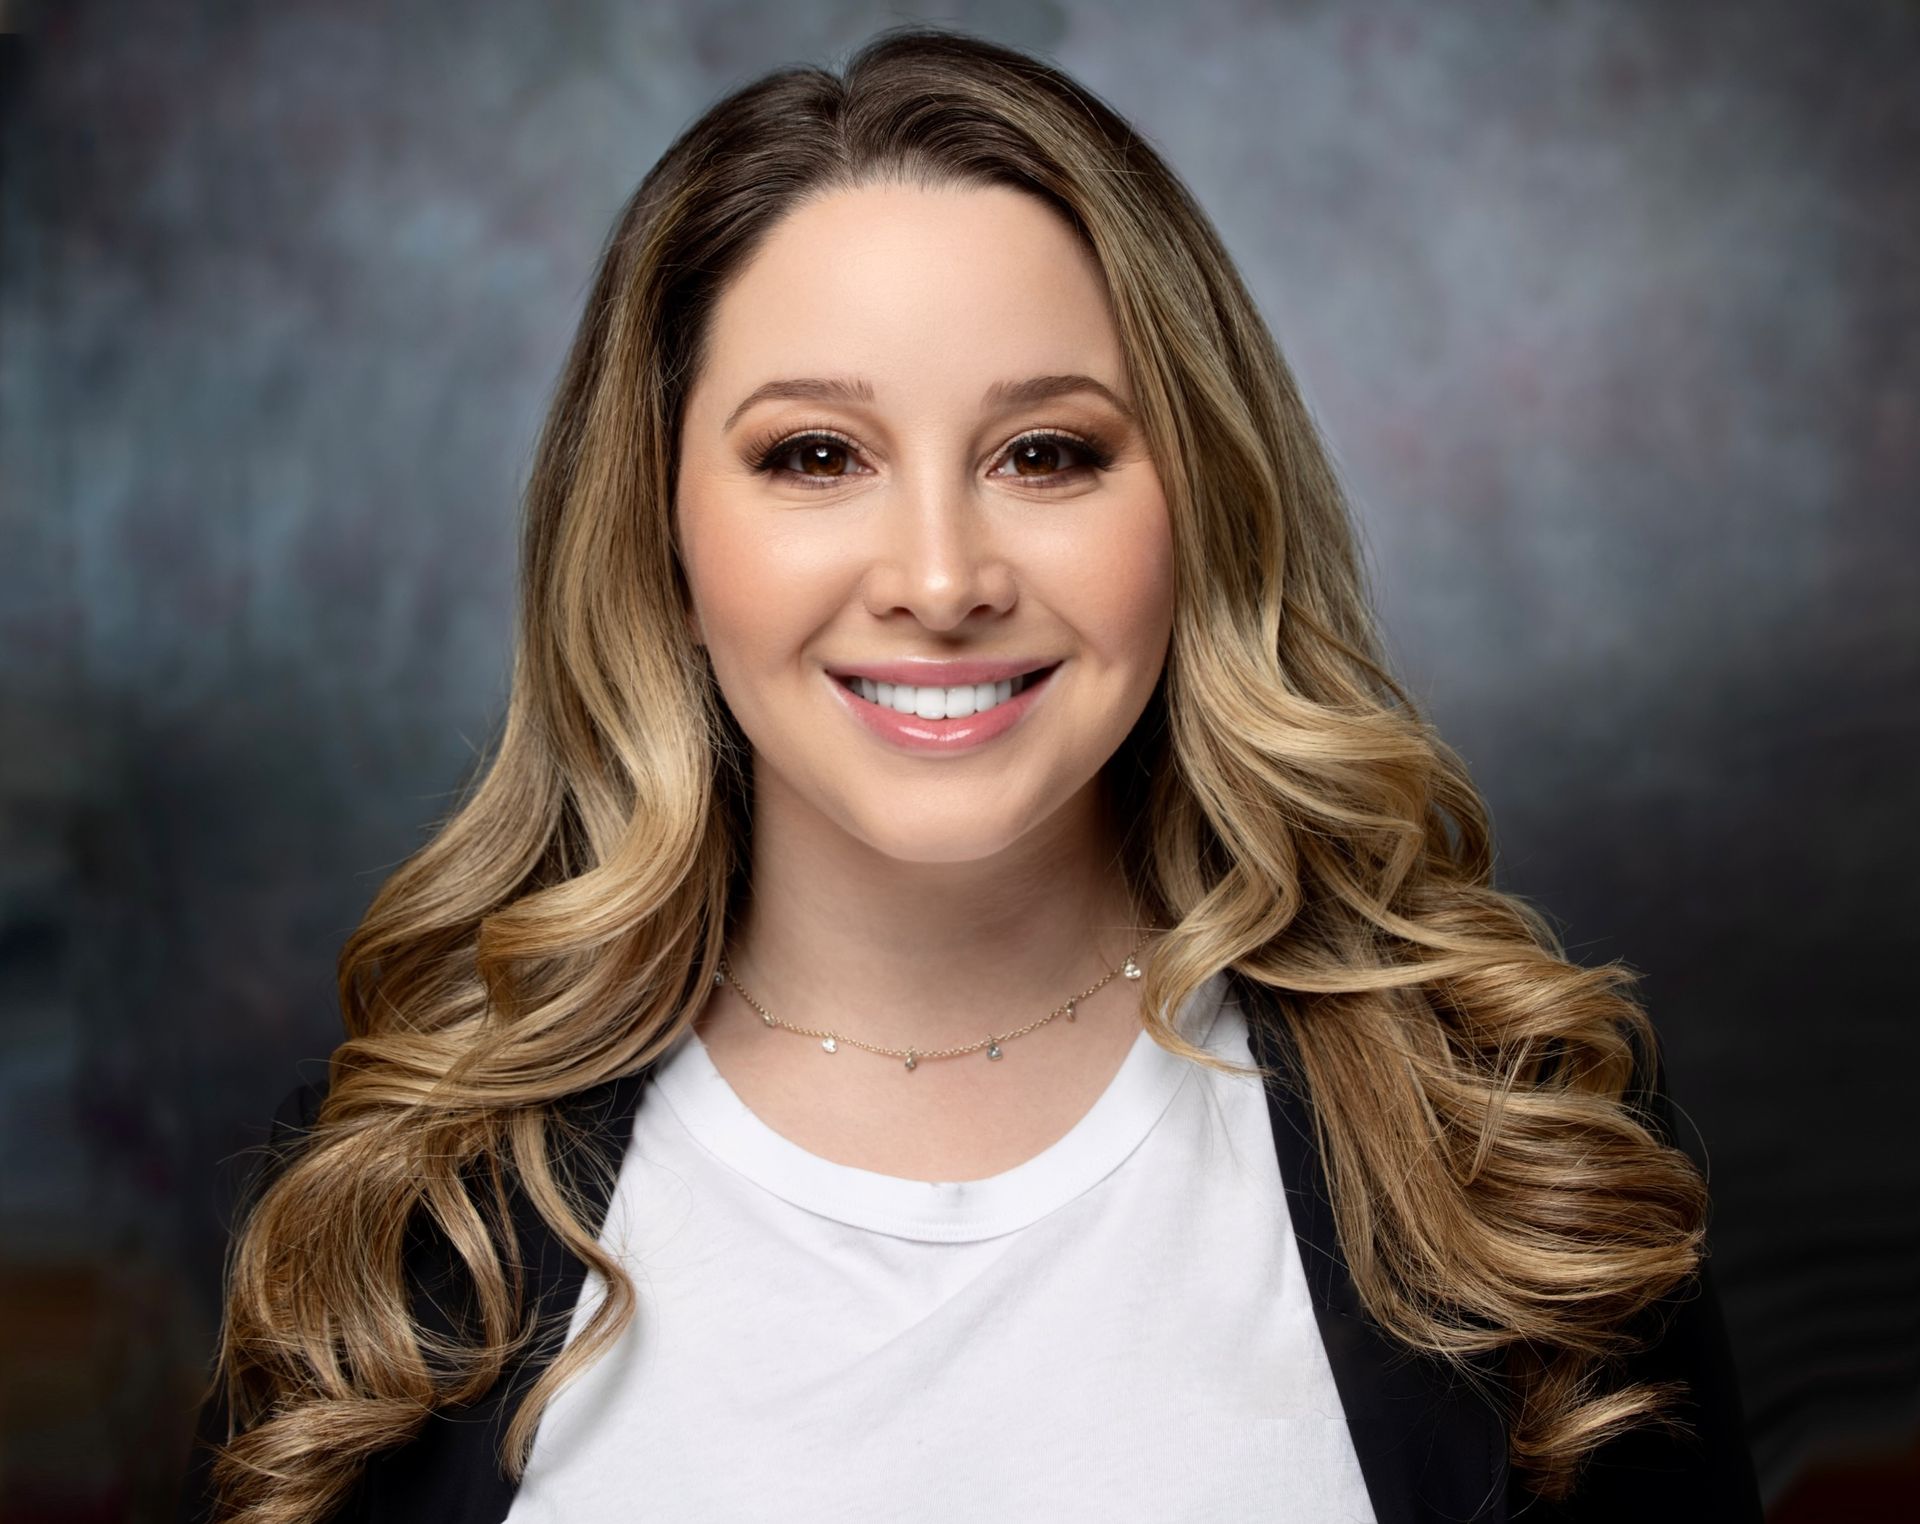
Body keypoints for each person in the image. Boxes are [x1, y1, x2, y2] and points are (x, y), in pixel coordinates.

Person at [176, 24, 1762, 1524]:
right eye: (814, 455)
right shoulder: (398, 1218)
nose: (940, 579)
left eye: (1047, 453)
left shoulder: (1516, 1158)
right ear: (659, 533)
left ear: (1196, 506)